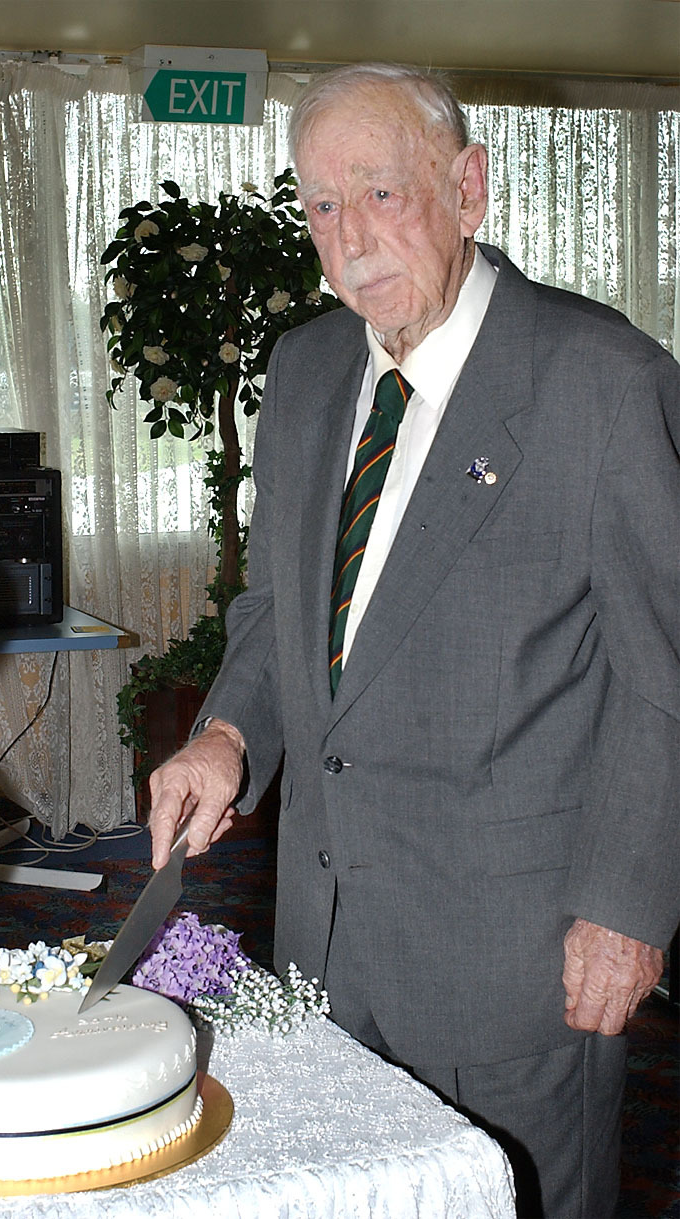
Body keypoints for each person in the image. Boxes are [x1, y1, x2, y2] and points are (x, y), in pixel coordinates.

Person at [148, 63, 680, 1218]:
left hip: (513, 957)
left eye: (381, 193)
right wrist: (228, 734)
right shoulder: (301, 373)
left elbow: (663, 674)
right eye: (322, 206)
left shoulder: (602, 384)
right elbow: (279, 613)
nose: (348, 240)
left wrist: (629, 906)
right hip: (324, 944)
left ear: (468, 190)